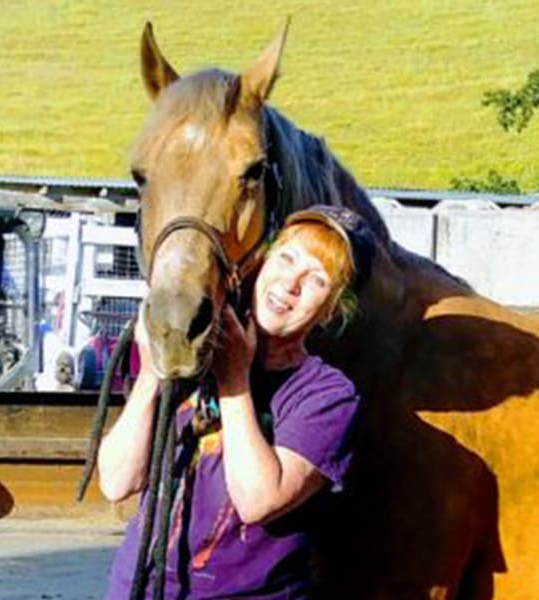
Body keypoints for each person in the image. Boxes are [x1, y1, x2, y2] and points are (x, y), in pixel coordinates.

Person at [98, 205, 376, 599]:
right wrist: (153, 374)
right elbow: (115, 482)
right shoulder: (193, 358)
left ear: (332, 309)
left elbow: (257, 501)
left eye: (316, 279)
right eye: (286, 258)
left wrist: (234, 380)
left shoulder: (327, 396)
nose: (290, 284)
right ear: (260, 264)